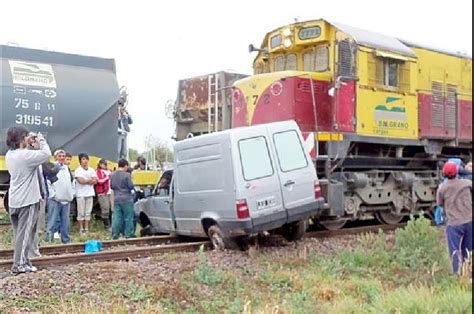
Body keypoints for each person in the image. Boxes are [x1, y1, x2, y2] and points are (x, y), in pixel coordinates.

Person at [5, 127, 51, 274]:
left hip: (14, 200)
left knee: (21, 234)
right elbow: (47, 154)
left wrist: (30, 144)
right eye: (26, 137)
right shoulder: (25, 156)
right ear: (21, 138)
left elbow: (32, 155)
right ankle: (18, 265)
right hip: (27, 200)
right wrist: (40, 139)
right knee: (25, 234)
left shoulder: (10, 154)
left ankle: (25, 262)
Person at [437, 161, 473, 275]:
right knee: (469, 249)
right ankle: (470, 273)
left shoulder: (442, 188)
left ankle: (457, 275)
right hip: (469, 221)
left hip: (454, 224)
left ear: (444, 174)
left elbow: (439, 204)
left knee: (455, 251)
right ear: (457, 171)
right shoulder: (467, 183)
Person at [45, 150, 74, 243]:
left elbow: (72, 182)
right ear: (55, 157)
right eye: (59, 156)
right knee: (52, 221)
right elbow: (48, 182)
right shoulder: (53, 168)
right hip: (55, 200)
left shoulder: (67, 169)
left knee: (66, 222)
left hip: (66, 200)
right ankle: (48, 240)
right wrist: (53, 195)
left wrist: (72, 194)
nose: (62, 158)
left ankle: (66, 240)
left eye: (63, 156)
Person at [111, 159, 136, 239]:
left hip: (116, 198)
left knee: (117, 217)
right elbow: (131, 186)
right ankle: (129, 234)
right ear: (125, 166)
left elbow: (111, 186)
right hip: (127, 199)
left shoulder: (112, 175)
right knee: (128, 217)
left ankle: (115, 234)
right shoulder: (127, 175)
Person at [75, 153, 98, 234]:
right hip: (80, 194)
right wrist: (89, 180)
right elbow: (80, 181)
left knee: (88, 212)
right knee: (81, 212)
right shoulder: (78, 170)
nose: (85, 161)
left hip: (90, 194)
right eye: (83, 159)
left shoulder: (91, 170)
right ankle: (81, 228)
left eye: (86, 159)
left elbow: (95, 181)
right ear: (80, 161)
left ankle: (86, 228)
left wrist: (86, 180)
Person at [96, 159, 112, 230]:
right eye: (105, 164)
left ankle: (112, 224)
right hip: (102, 192)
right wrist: (107, 177)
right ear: (100, 164)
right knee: (105, 208)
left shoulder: (109, 171)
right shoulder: (98, 171)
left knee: (112, 209)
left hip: (110, 192)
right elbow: (99, 181)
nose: (106, 166)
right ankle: (107, 226)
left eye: (107, 164)